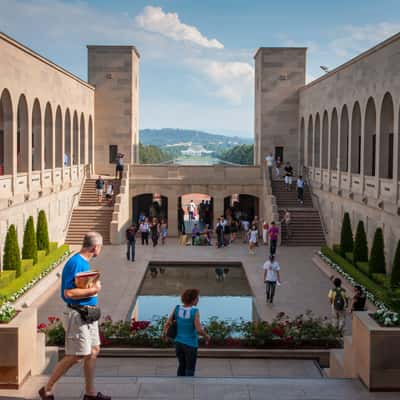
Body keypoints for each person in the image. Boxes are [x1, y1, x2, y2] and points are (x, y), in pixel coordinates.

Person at [38, 232, 110, 400]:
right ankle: (47, 389)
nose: (101, 249)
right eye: (100, 247)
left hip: (88, 315)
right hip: (78, 315)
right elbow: (68, 292)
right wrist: (94, 289)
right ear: (94, 247)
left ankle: (90, 394)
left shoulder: (82, 262)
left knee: (93, 350)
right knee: (76, 355)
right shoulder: (77, 263)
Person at [163, 289, 210, 377]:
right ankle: (188, 386)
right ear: (193, 299)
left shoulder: (177, 308)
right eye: (197, 298)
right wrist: (206, 336)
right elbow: (198, 330)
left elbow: (168, 323)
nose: (198, 300)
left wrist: (164, 334)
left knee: (182, 365)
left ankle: (180, 384)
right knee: (190, 368)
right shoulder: (194, 311)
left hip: (178, 343)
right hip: (191, 345)